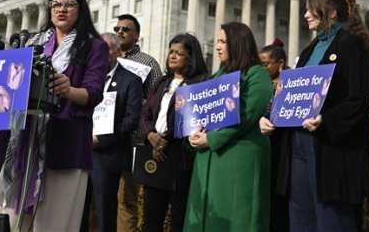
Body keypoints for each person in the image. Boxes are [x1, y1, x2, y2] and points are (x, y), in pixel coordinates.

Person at [0, 0, 108, 231]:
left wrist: (68, 90)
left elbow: (94, 92)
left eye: (68, 4)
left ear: (80, 10)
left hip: (66, 140)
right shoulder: (34, 43)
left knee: (54, 223)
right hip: (25, 138)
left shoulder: (94, 46)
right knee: (7, 216)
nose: (61, 9)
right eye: (55, 4)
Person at [261, 0, 369, 231]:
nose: (306, 15)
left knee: (331, 219)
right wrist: (272, 116)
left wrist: (326, 119)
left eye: (312, 9)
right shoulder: (309, 49)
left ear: (331, 12)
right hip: (297, 144)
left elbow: (358, 100)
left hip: (329, 147)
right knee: (300, 217)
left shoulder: (350, 44)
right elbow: (295, 94)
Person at [185, 22, 272, 231]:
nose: (217, 47)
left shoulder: (256, 74)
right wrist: (194, 132)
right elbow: (202, 113)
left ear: (238, 43)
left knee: (238, 219)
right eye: (217, 41)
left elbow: (246, 114)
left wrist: (211, 139)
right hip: (209, 156)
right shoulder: (217, 76)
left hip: (238, 157)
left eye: (223, 41)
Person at [139, 33, 208, 232]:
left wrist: (164, 139)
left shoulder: (201, 82)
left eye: (179, 53)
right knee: (151, 219)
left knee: (178, 219)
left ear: (191, 58)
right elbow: (145, 115)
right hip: (155, 155)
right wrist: (150, 136)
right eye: (171, 51)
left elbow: (189, 118)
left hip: (180, 158)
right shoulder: (162, 81)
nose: (173, 56)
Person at [87, 32, 143, 232]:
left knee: (104, 214)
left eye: (106, 49)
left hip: (107, 157)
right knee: (80, 212)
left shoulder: (131, 80)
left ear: (118, 51)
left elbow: (131, 119)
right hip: (80, 154)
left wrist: (101, 139)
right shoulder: (87, 77)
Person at [114, 13, 164, 231]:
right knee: (99, 198)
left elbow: (157, 100)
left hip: (133, 139)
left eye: (126, 29)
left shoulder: (148, 63)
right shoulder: (107, 59)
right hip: (103, 138)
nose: (120, 32)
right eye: (117, 28)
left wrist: (133, 101)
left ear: (137, 36)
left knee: (126, 199)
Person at [258, 39, 290, 232]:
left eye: (266, 64)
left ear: (280, 63)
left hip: (282, 146)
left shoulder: (292, 82)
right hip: (263, 145)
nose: (263, 68)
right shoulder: (260, 83)